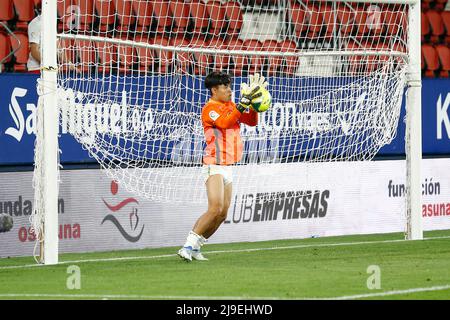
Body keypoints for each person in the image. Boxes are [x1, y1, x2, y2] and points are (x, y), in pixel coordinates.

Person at [177, 71, 268, 262]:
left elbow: (251, 122)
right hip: (214, 164)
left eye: (229, 86)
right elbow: (225, 122)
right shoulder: (210, 108)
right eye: (225, 87)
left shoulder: (231, 106)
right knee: (215, 208)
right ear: (214, 90)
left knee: (222, 214)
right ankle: (187, 245)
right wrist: (243, 103)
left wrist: (254, 104)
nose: (229, 90)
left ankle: (196, 247)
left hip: (228, 165)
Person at [27, 9, 41, 74]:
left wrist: (68, 63)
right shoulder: (36, 24)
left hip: (50, 68)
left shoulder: (51, 22)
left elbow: (58, 46)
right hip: (36, 68)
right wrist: (48, 63)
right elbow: (34, 51)